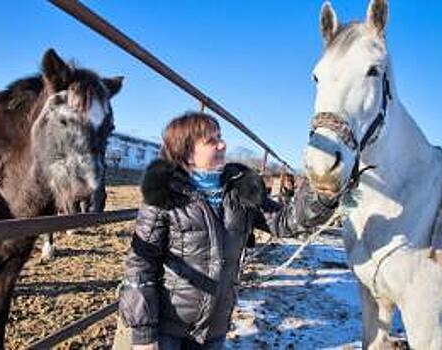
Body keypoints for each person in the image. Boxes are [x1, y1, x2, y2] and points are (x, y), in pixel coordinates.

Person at [113, 112, 336, 349]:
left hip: (215, 328)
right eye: (211, 141)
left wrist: (322, 193)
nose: (223, 144)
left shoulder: (241, 189)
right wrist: (145, 334)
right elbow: (140, 265)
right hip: (169, 326)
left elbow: (285, 222)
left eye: (220, 137)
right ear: (187, 153)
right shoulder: (164, 195)